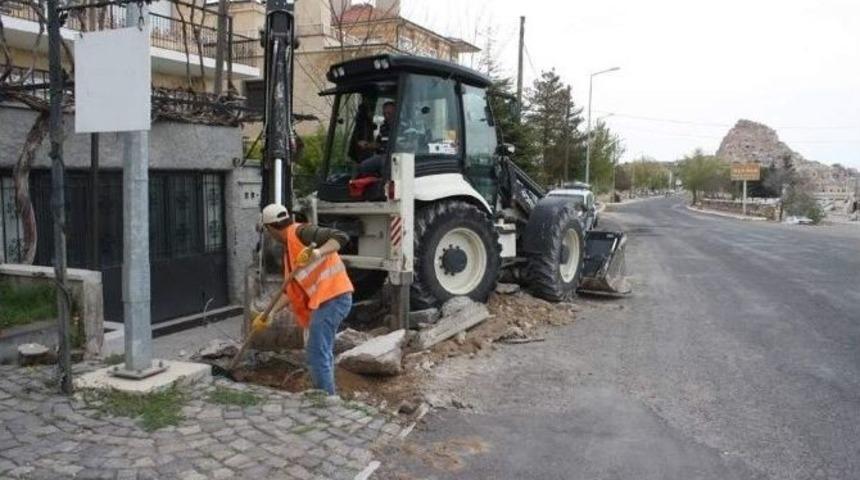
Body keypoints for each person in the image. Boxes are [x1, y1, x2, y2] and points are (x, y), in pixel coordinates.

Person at [254, 203, 354, 395]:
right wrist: (270, 313)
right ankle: (327, 395)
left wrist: (317, 252)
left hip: (334, 298)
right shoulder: (289, 250)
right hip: (326, 301)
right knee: (321, 351)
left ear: (270, 228)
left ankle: (325, 400)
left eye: (266, 230)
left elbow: (340, 236)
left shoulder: (301, 232)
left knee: (317, 352)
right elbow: (289, 291)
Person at [356, 100, 396, 175]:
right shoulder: (383, 127)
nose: (386, 116)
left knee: (380, 164)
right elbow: (378, 144)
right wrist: (366, 144)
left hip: (395, 158)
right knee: (361, 166)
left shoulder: (402, 127)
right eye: (384, 114)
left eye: (389, 113)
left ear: (396, 113)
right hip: (381, 157)